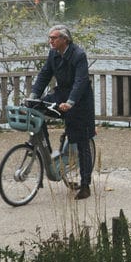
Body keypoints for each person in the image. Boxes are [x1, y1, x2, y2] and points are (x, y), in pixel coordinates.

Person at [30, 24, 96, 200]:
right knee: (35, 108)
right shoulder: (53, 54)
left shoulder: (78, 55)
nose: (50, 41)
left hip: (80, 101)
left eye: (54, 38)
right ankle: (50, 155)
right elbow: (44, 75)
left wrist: (71, 102)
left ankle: (85, 185)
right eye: (50, 38)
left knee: (82, 141)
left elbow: (81, 81)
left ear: (64, 39)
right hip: (61, 94)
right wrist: (33, 95)